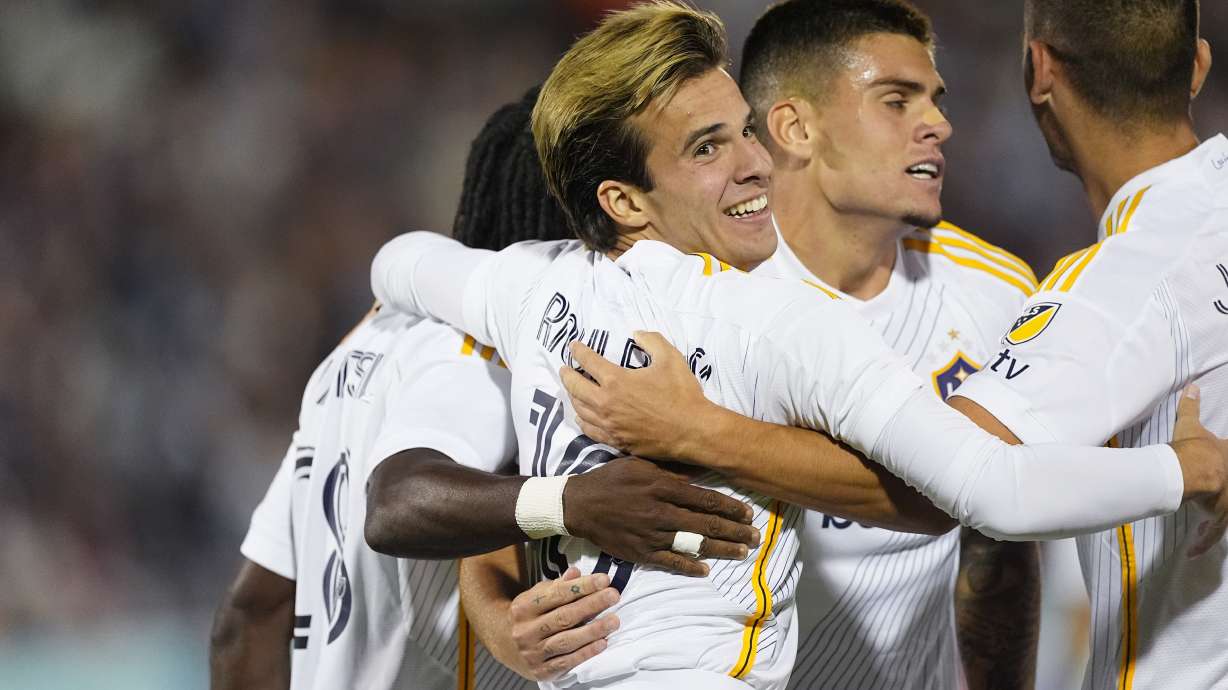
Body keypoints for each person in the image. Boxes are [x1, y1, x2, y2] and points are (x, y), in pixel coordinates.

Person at [369, 3, 1228, 688]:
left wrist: (676, 446)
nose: (940, 126)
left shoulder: (537, 284)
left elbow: (402, 262)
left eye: (742, 132)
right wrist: (1180, 472)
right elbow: (983, 487)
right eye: (898, 100)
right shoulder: (768, 315)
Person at [208, 87, 759, 690]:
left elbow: (249, 616)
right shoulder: (484, 352)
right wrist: (575, 501)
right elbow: (395, 502)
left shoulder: (359, 348)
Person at [557, 1, 1040, 688]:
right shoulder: (690, 290)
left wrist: (700, 430)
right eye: (896, 101)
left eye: (934, 100)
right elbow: (517, 468)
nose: (938, 124)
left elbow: (997, 545)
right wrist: (500, 615)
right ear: (795, 127)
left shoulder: (998, 290)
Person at [949, 1, 1228, 687]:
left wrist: (706, 433)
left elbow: (952, 471)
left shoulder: (1126, 281)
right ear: (1197, 66)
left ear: (1039, 70)